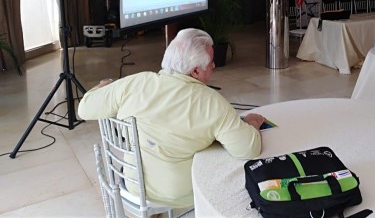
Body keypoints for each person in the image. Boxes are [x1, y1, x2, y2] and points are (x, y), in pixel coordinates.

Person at [78, 28, 264, 210]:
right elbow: (248, 149)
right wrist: (251, 124)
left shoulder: (136, 82)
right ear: (196, 72)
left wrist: (104, 85)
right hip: (181, 195)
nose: (214, 65)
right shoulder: (211, 102)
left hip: (134, 183)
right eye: (211, 62)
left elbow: (84, 109)